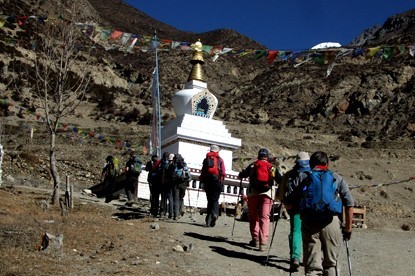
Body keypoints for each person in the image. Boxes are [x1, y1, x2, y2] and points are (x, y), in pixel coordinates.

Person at [285, 151, 354, 276]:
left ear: (311, 164)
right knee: (331, 264)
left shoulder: (303, 177)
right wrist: (348, 229)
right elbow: (349, 204)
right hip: (331, 222)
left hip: (309, 222)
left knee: (312, 267)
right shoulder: (336, 178)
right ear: (327, 163)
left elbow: (288, 202)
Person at [238, 148, 279, 251]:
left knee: (253, 216)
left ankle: (255, 239)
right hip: (267, 194)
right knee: (265, 217)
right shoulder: (272, 167)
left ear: (258, 156)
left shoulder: (253, 165)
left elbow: (242, 175)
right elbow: (280, 179)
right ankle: (263, 243)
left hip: (253, 194)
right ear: (267, 157)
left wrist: (241, 174)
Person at [278, 151, 311, 271]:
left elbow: (281, 193)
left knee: (296, 232)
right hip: (311, 209)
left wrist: (286, 202)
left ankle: (295, 257)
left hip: (295, 208)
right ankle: (309, 259)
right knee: (310, 234)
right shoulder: (313, 173)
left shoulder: (290, 174)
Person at [199, 144, 226, 227]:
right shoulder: (220, 160)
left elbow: (203, 171)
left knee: (210, 200)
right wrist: (221, 180)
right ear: (217, 151)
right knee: (215, 200)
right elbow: (224, 172)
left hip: (207, 181)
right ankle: (215, 214)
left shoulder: (206, 159)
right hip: (217, 181)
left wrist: (201, 180)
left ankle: (208, 221)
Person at [171, 153, 190, 220]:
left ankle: (175, 215)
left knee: (175, 199)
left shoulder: (173, 165)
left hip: (175, 184)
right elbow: (189, 176)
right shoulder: (184, 164)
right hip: (183, 184)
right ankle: (179, 213)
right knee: (181, 198)